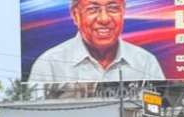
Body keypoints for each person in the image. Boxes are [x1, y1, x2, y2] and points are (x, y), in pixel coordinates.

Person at [27, 0, 165, 84]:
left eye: (112, 8)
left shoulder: (145, 62)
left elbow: (161, 107)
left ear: (123, 12)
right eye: (93, 9)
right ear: (76, 15)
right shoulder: (49, 63)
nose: (104, 19)